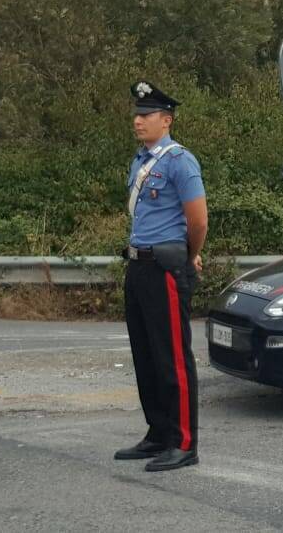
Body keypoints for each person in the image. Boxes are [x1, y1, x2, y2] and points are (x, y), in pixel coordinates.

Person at [113, 80, 207, 472]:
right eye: (137, 114)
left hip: (166, 268)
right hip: (138, 266)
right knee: (147, 355)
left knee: (172, 358)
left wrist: (191, 257)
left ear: (166, 120)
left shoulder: (179, 161)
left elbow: (198, 220)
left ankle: (184, 443)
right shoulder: (140, 160)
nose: (138, 120)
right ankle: (158, 433)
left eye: (146, 114)